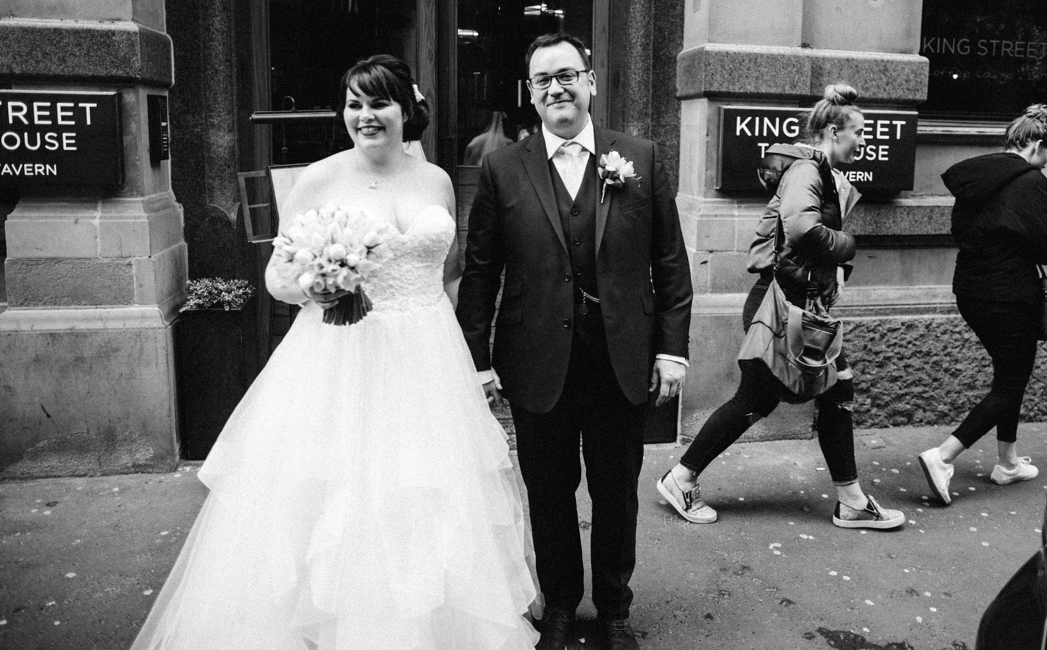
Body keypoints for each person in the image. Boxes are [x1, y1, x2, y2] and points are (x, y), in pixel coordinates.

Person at [131, 55, 541, 650]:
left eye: (378, 103)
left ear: (407, 108)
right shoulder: (319, 179)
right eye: (354, 103)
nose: (365, 116)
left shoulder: (437, 182)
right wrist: (313, 287)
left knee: (427, 495)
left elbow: (446, 273)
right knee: (342, 498)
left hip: (428, 358)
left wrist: (473, 361)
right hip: (344, 360)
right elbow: (277, 276)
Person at [456, 32, 692, 650]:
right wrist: (476, 361)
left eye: (567, 75)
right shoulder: (504, 167)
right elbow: (481, 270)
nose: (556, 88)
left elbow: (670, 260)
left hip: (621, 359)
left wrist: (671, 349)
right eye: (543, 81)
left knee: (617, 492)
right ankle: (560, 603)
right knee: (549, 491)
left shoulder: (639, 156)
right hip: (536, 361)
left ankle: (614, 608)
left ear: (590, 80)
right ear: (530, 95)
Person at [656, 83, 905, 531]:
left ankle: (850, 500)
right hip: (779, 307)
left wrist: (834, 272)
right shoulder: (808, 172)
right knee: (763, 397)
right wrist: (847, 247)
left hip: (796, 307)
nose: (864, 140)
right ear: (833, 131)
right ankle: (681, 477)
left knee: (832, 390)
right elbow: (802, 228)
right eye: (859, 131)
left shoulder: (819, 172)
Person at [918, 104, 1047, 505]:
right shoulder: (1032, 184)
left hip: (970, 290)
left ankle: (1008, 462)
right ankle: (943, 456)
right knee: (1011, 382)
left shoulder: (975, 179)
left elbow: (959, 231)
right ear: (1035, 145)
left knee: (1008, 375)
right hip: (1010, 295)